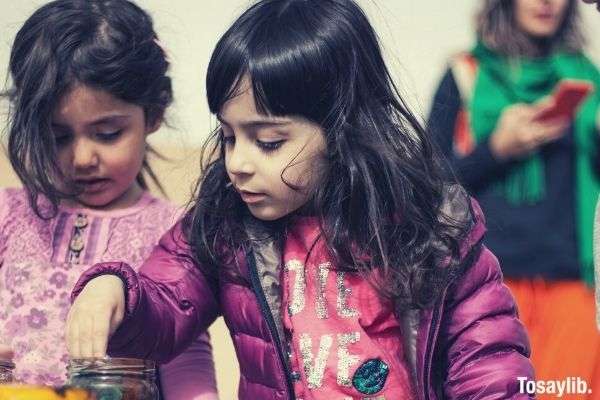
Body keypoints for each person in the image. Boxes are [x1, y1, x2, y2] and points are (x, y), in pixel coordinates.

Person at [66, 0, 534, 398]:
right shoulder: (225, 223)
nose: (239, 164)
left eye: (269, 142)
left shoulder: (429, 227)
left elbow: (489, 357)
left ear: (340, 130)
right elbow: (166, 305)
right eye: (229, 137)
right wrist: (117, 291)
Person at [0, 1, 218, 398]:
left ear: (152, 114)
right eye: (58, 136)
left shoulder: (174, 233)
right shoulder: (8, 216)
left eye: (107, 133)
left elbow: (186, 353)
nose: (82, 159)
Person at [428, 0, 600, 396]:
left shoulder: (589, 78)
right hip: (490, 281)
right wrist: (496, 150)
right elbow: (427, 182)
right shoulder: (465, 73)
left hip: (575, 284)